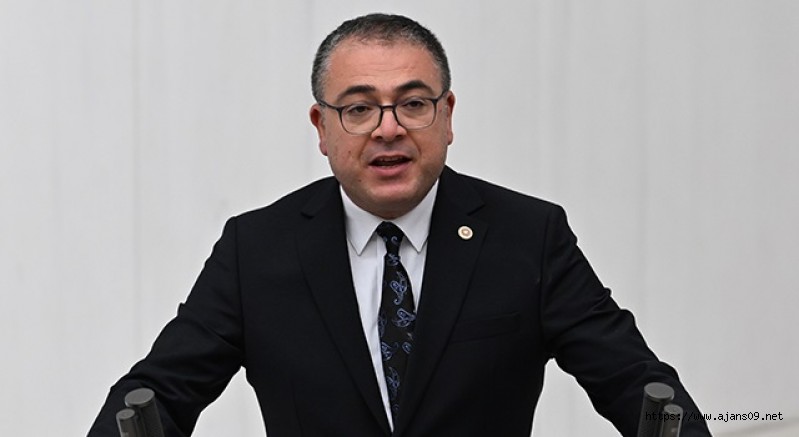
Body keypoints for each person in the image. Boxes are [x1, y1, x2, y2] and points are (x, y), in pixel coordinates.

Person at [89, 13, 710, 437]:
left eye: (413, 103)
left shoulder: (528, 236)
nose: (389, 128)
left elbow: (635, 382)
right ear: (322, 128)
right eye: (359, 108)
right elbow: (158, 394)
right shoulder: (256, 250)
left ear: (447, 115)